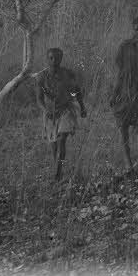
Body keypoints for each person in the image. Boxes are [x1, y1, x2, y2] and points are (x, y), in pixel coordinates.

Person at [34, 47, 87, 181]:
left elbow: (76, 91)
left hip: (66, 110)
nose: (54, 61)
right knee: (54, 146)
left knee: (61, 140)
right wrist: (45, 110)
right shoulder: (41, 77)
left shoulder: (68, 74)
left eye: (57, 58)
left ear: (61, 59)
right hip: (50, 113)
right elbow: (39, 99)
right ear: (47, 59)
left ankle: (57, 173)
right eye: (51, 58)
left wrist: (82, 106)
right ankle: (59, 169)